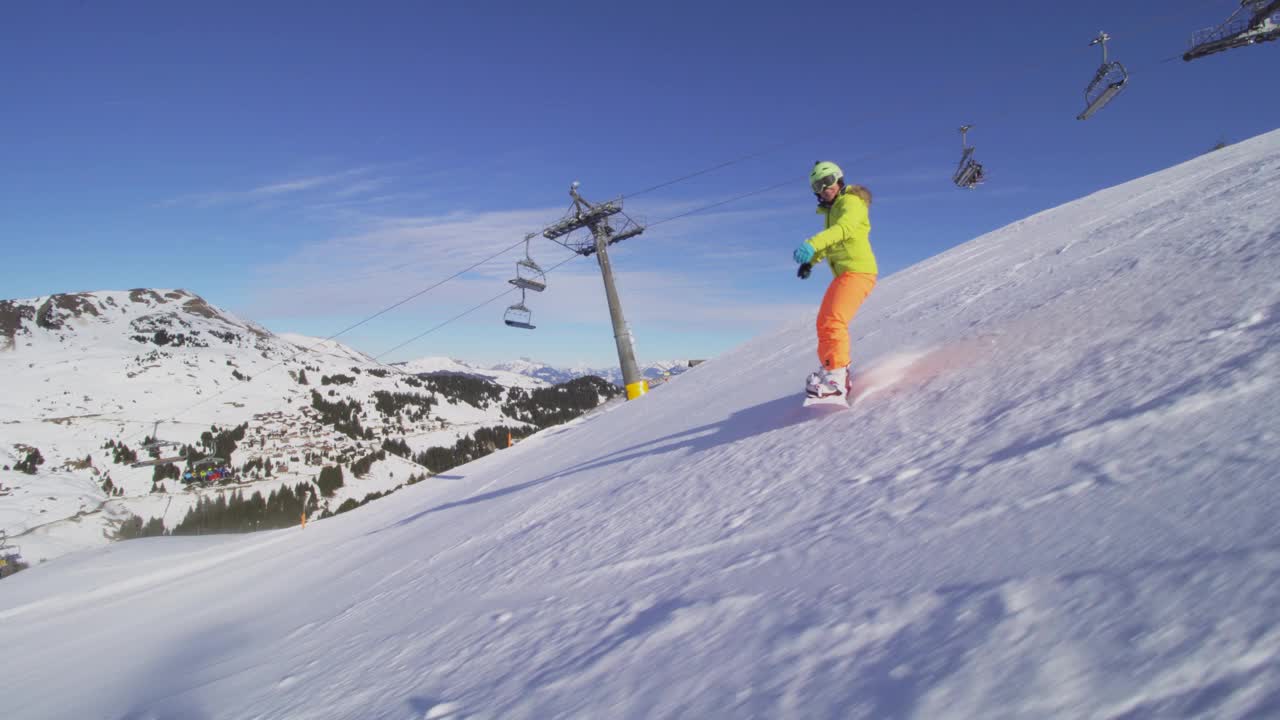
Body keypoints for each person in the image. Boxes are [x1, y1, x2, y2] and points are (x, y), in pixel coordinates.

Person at [792, 161, 878, 398]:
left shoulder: (852, 202)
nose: (824, 188)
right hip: (846, 274)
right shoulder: (832, 210)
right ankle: (833, 368)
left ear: (839, 180)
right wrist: (811, 261)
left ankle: (837, 378)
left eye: (827, 181)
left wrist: (811, 245)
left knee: (832, 322)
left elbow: (843, 230)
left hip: (859, 272)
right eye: (818, 185)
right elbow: (833, 243)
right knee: (824, 322)